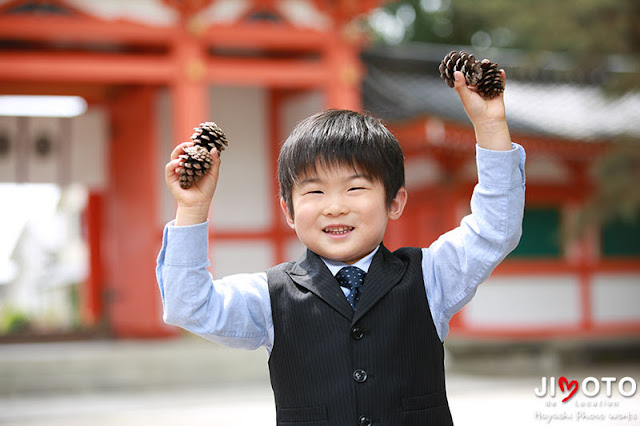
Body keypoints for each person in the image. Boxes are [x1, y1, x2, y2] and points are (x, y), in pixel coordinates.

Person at [156, 70, 525, 425]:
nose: (335, 206)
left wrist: (490, 126)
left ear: (394, 202)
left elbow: (495, 230)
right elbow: (190, 306)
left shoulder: (430, 277)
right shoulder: (269, 297)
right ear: (288, 210)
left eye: (355, 188)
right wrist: (192, 208)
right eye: (314, 191)